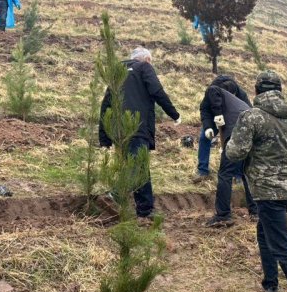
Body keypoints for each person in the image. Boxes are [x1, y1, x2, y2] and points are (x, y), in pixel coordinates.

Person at [226, 70, 287, 292]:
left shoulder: (252, 117)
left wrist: (230, 140)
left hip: (266, 191)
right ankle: (270, 285)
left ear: (256, 91)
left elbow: (235, 153)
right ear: (280, 91)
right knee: (265, 234)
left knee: (280, 245)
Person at [99, 47, 181, 219]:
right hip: (137, 125)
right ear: (147, 59)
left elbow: (106, 104)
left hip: (118, 130)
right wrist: (174, 114)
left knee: (135, 165)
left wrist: (104, 137)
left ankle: (143, 209)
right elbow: (157, 91)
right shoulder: (144, 67)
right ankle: (115, 194)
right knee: (138, 166)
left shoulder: (118, 71)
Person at [202, 77, 260, 227]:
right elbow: (206, 111)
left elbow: (213, 90)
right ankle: (256, 212)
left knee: (225, 173)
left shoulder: (214, 89)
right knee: (247, 172)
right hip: (252, 132)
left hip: (237, 131)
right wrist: (208, 127)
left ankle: (223, 215)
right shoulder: (237, 98)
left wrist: (217, 113)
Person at [192, 74, 251, 183]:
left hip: (234, 120)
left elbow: (249, 112)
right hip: (215, 116)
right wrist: (208, 127)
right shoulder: (211, 92)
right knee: (204, 138)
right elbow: (204, 109)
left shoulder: (240, 94)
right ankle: (202, 171)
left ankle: (238, 174)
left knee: (239, 143)